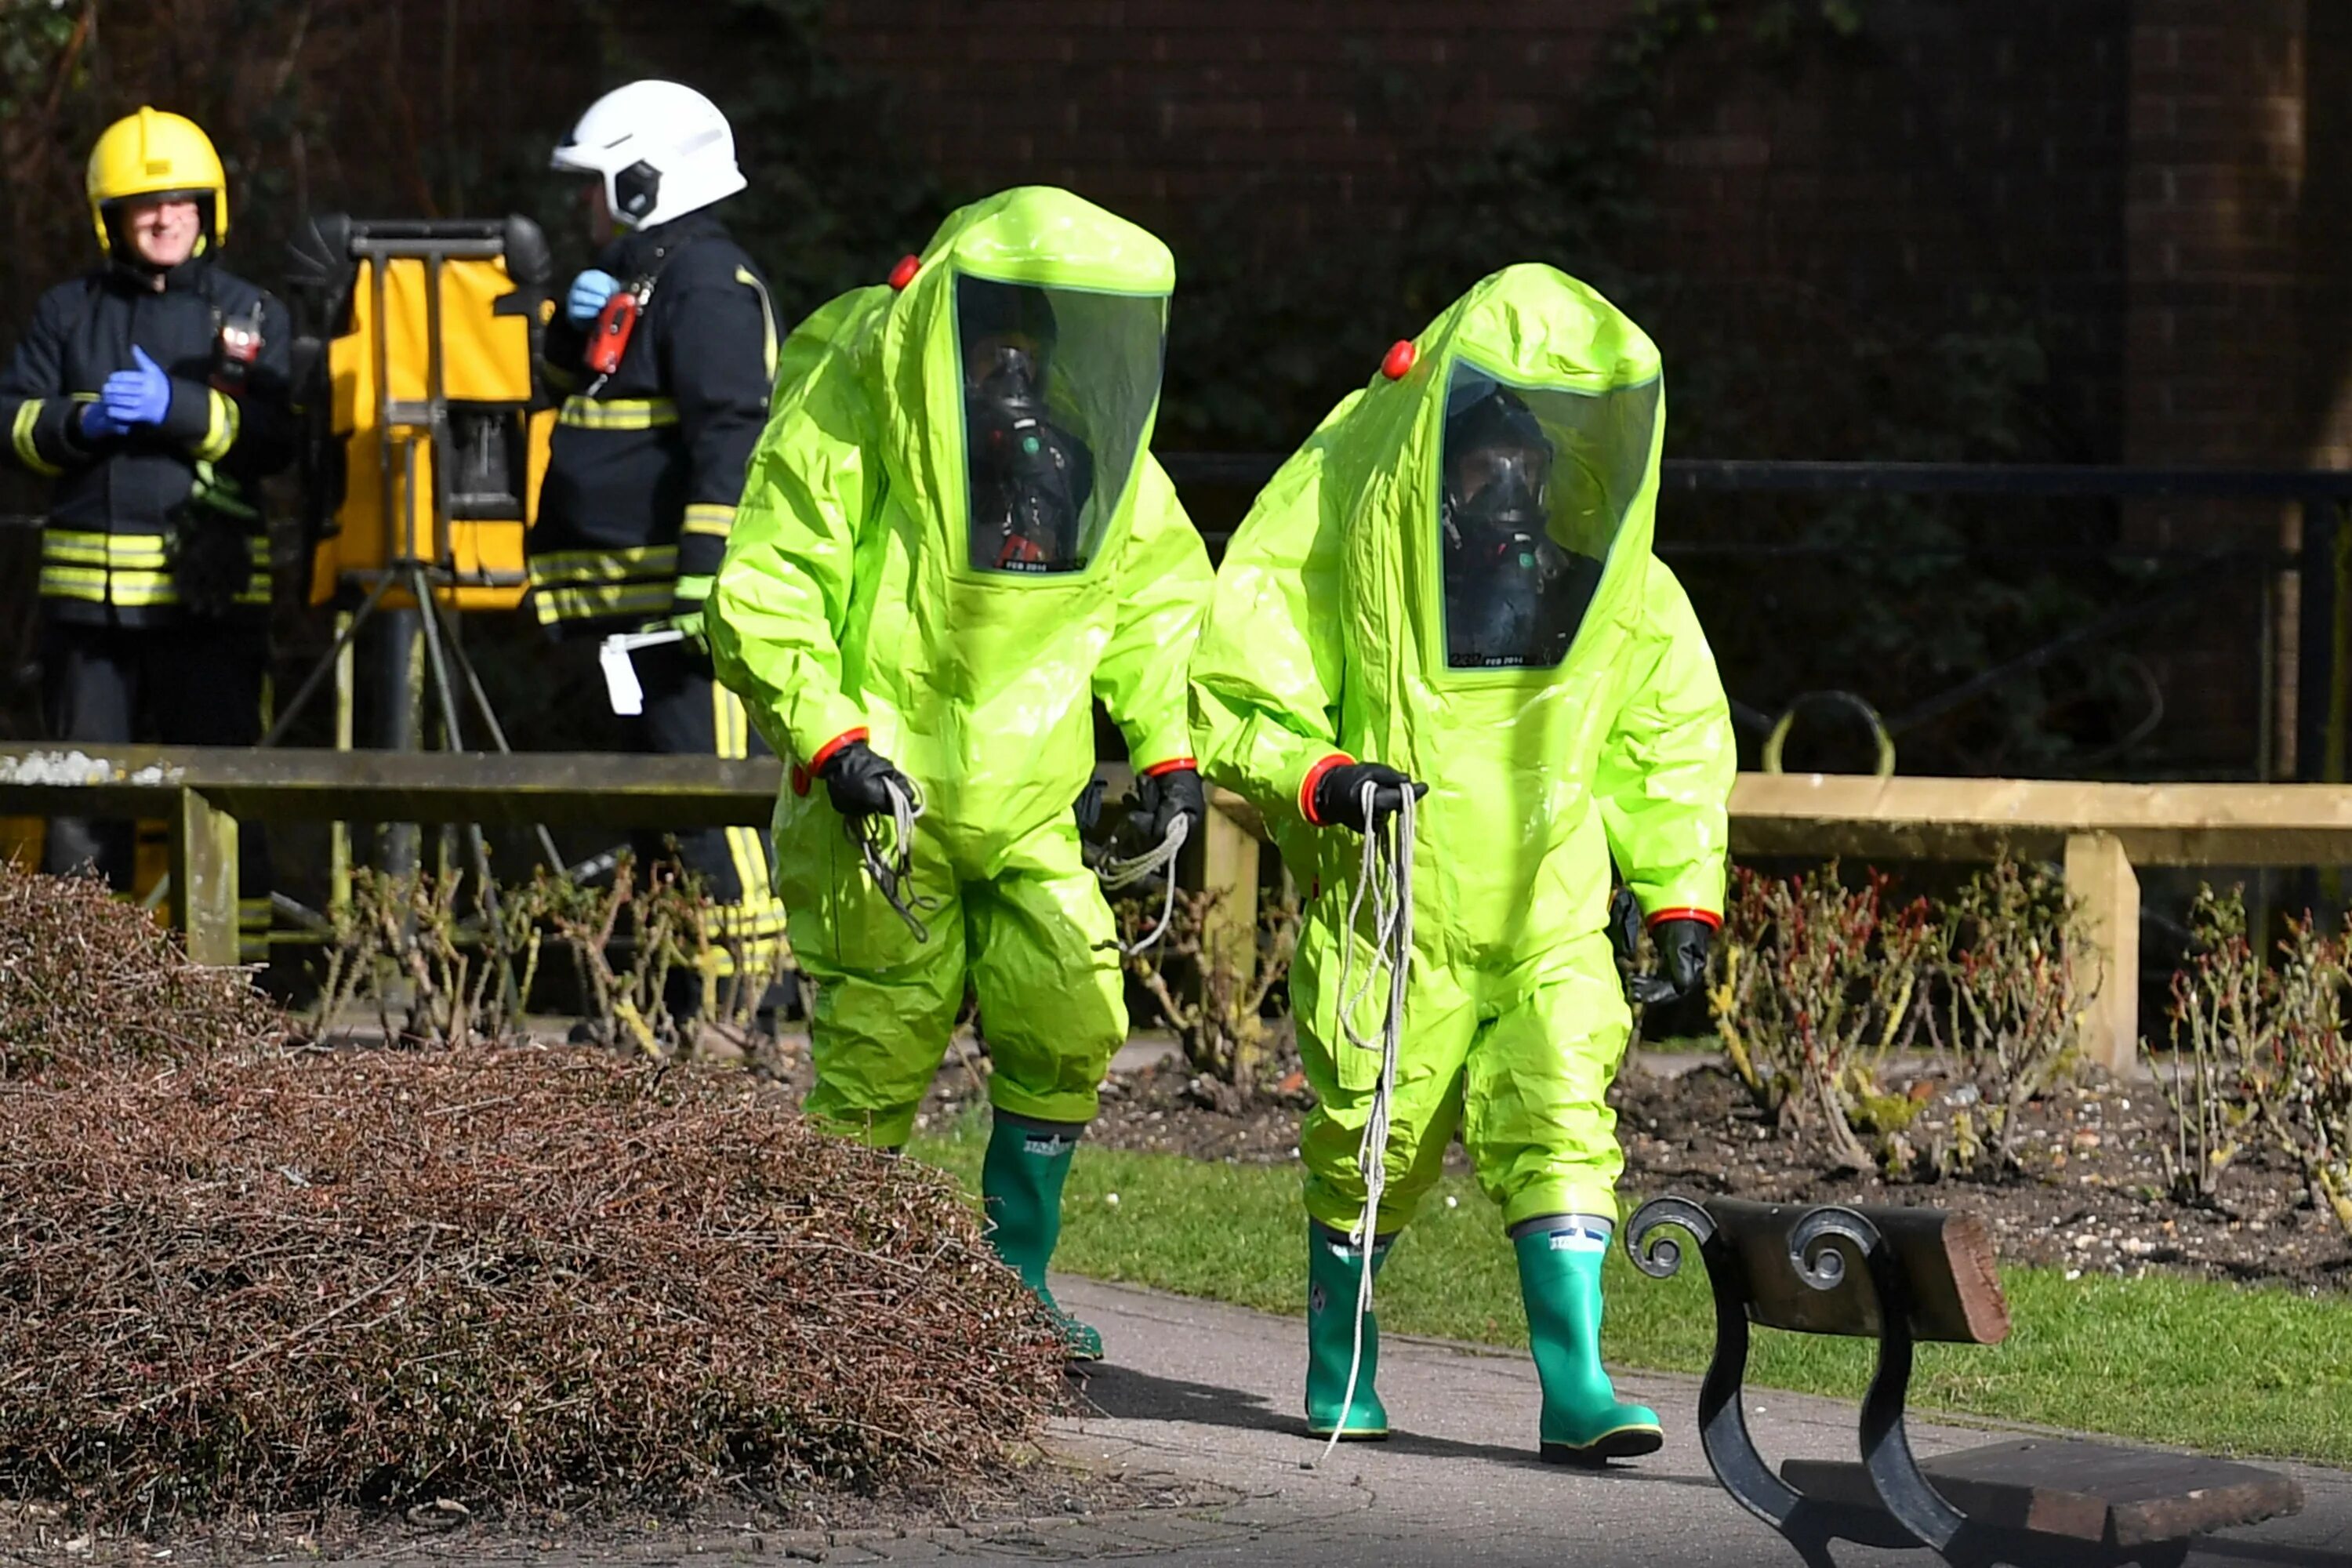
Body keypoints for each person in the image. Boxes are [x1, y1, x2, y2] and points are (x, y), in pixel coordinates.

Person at [1189, 263, 1733, 1462]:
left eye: (1529, 463)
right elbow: (1239, 682)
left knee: (1561, 1114)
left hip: (1549, 912)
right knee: (1365, 1139)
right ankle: (1344, 1369)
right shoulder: (1347, 520)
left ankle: (1578, 1384)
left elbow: (1668, 738)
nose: (1512, 487)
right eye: (1486, 462)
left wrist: (1682, 893)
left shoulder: (1609, 585)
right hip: (1395, 910)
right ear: (1436, 455)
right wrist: (1324, 778)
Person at [706, 187, 1214, 1358]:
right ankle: (826, 1308)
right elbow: (769, 586)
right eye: (992, 352)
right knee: (880, 1043)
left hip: (1033, 797)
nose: (1014, 379)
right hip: (885, 797)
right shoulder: (858, 402)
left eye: (1029, 353)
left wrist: (1169, 749)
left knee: (1069, 1010)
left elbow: (1151, 599)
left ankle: (1010, 1289)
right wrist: (832, 740)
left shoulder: (1087, 449)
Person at [0, 107, 292, 961]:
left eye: (183, 202)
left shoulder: (250, 312)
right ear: (111, 218)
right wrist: (76, 421)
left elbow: (280, 439)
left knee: (226, 803)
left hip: (215, 609)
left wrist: (189, 411)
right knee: (86, 816)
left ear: (211, 209)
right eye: (144, 204)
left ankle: (241, 1001)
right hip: (90, 624)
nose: (166, 218)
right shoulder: (68, 313)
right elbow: (9, 424)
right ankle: (84, 1010)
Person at [535, 79, 789, 1020]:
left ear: (644, 182)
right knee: (652, 821)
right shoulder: (647, 279)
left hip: (682, 618)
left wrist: (704, 589)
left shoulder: (708, 289)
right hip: (624, 616)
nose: (582, 207)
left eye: (595, 185)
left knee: (710, 811)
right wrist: (569, 328)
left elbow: (734, 442)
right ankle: (665, 1006)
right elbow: (578, 386)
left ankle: (744, 1010)